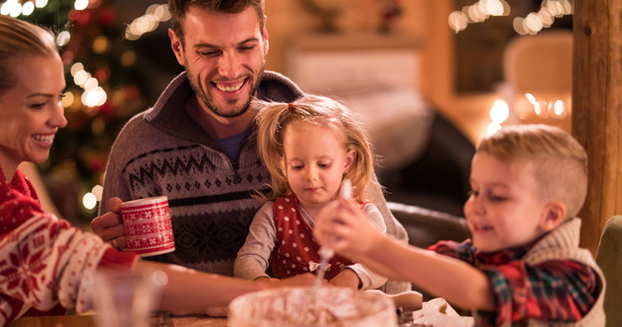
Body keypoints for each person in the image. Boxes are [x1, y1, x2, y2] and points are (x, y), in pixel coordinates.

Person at [0, 15, 314, 327]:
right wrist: (261, 297)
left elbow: (48, 273)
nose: (60, 118)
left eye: (59, 97)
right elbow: (102, 275)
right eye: (39, 104)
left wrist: (95, 249)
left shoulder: (8, 182)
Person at [92, 0, 409, 285]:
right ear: (178, 47)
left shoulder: (322, 134)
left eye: (245, 47)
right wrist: (113, 254)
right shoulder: (138, 146)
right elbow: (114, 283)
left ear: (265, 37)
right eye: (208, 51)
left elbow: (394, 267)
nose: (229, 70)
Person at [314, 124, 615, 327]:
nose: (475, 206)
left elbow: (476, 290)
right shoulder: (490, 254)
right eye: (475, 191)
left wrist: (374, 243)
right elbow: (422, 264)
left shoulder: (572, 276)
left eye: (496, 197)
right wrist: (351, 242)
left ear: (549, 215)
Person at [233, 95, 389, 290]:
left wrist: (351, 278)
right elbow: (248, 260)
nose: (311, 175)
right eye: (298, 166)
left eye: (323, 165)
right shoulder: (273, 214)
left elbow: (382, 263)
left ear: (347, 162)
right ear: (284, 166)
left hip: (347, 311)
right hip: (291, 310)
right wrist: (263, 284)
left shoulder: (365, 215)